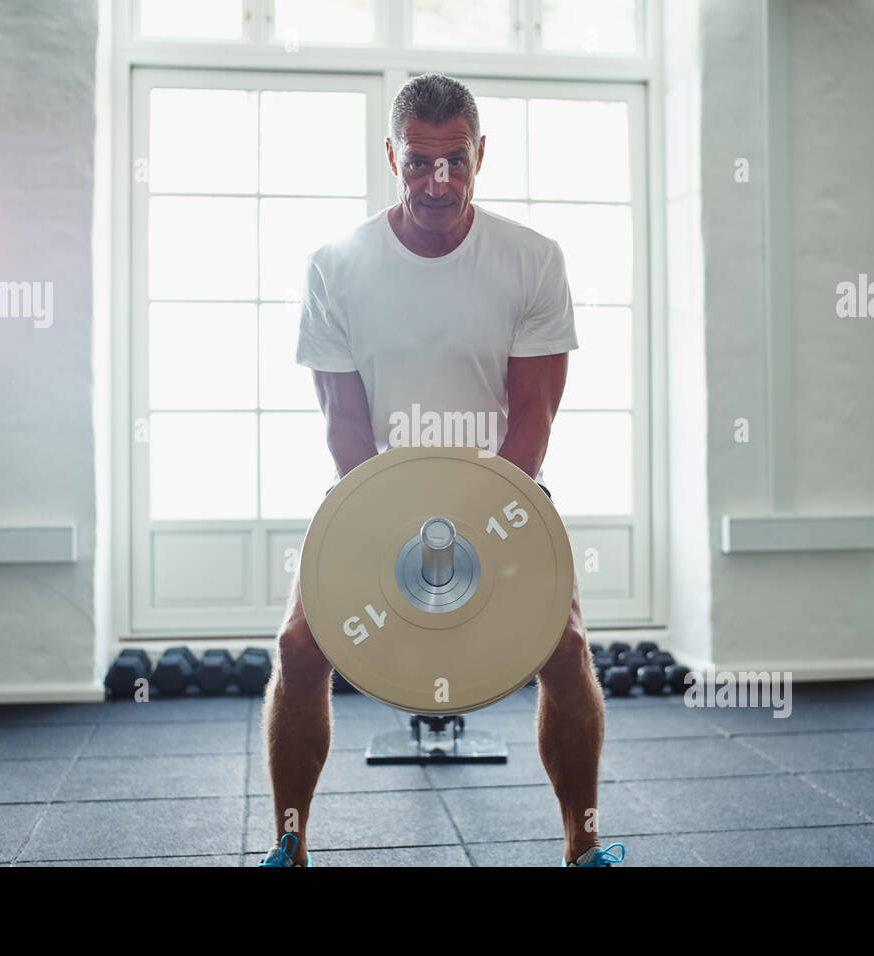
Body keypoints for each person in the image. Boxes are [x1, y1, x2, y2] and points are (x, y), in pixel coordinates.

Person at [258, 73, 621, 868]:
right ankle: (290, 843)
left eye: (455, 160)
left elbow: (533, 420)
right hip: (372, 490)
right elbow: (344, 425)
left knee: (564, 649)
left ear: (480, 154)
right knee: (298, 647)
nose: (439, 181)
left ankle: (583, 844)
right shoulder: (335, 265)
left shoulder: (531, 261)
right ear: (392, 156)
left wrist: (476, 527)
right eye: (419, 164)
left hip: (501, 491)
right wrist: (395, 526)